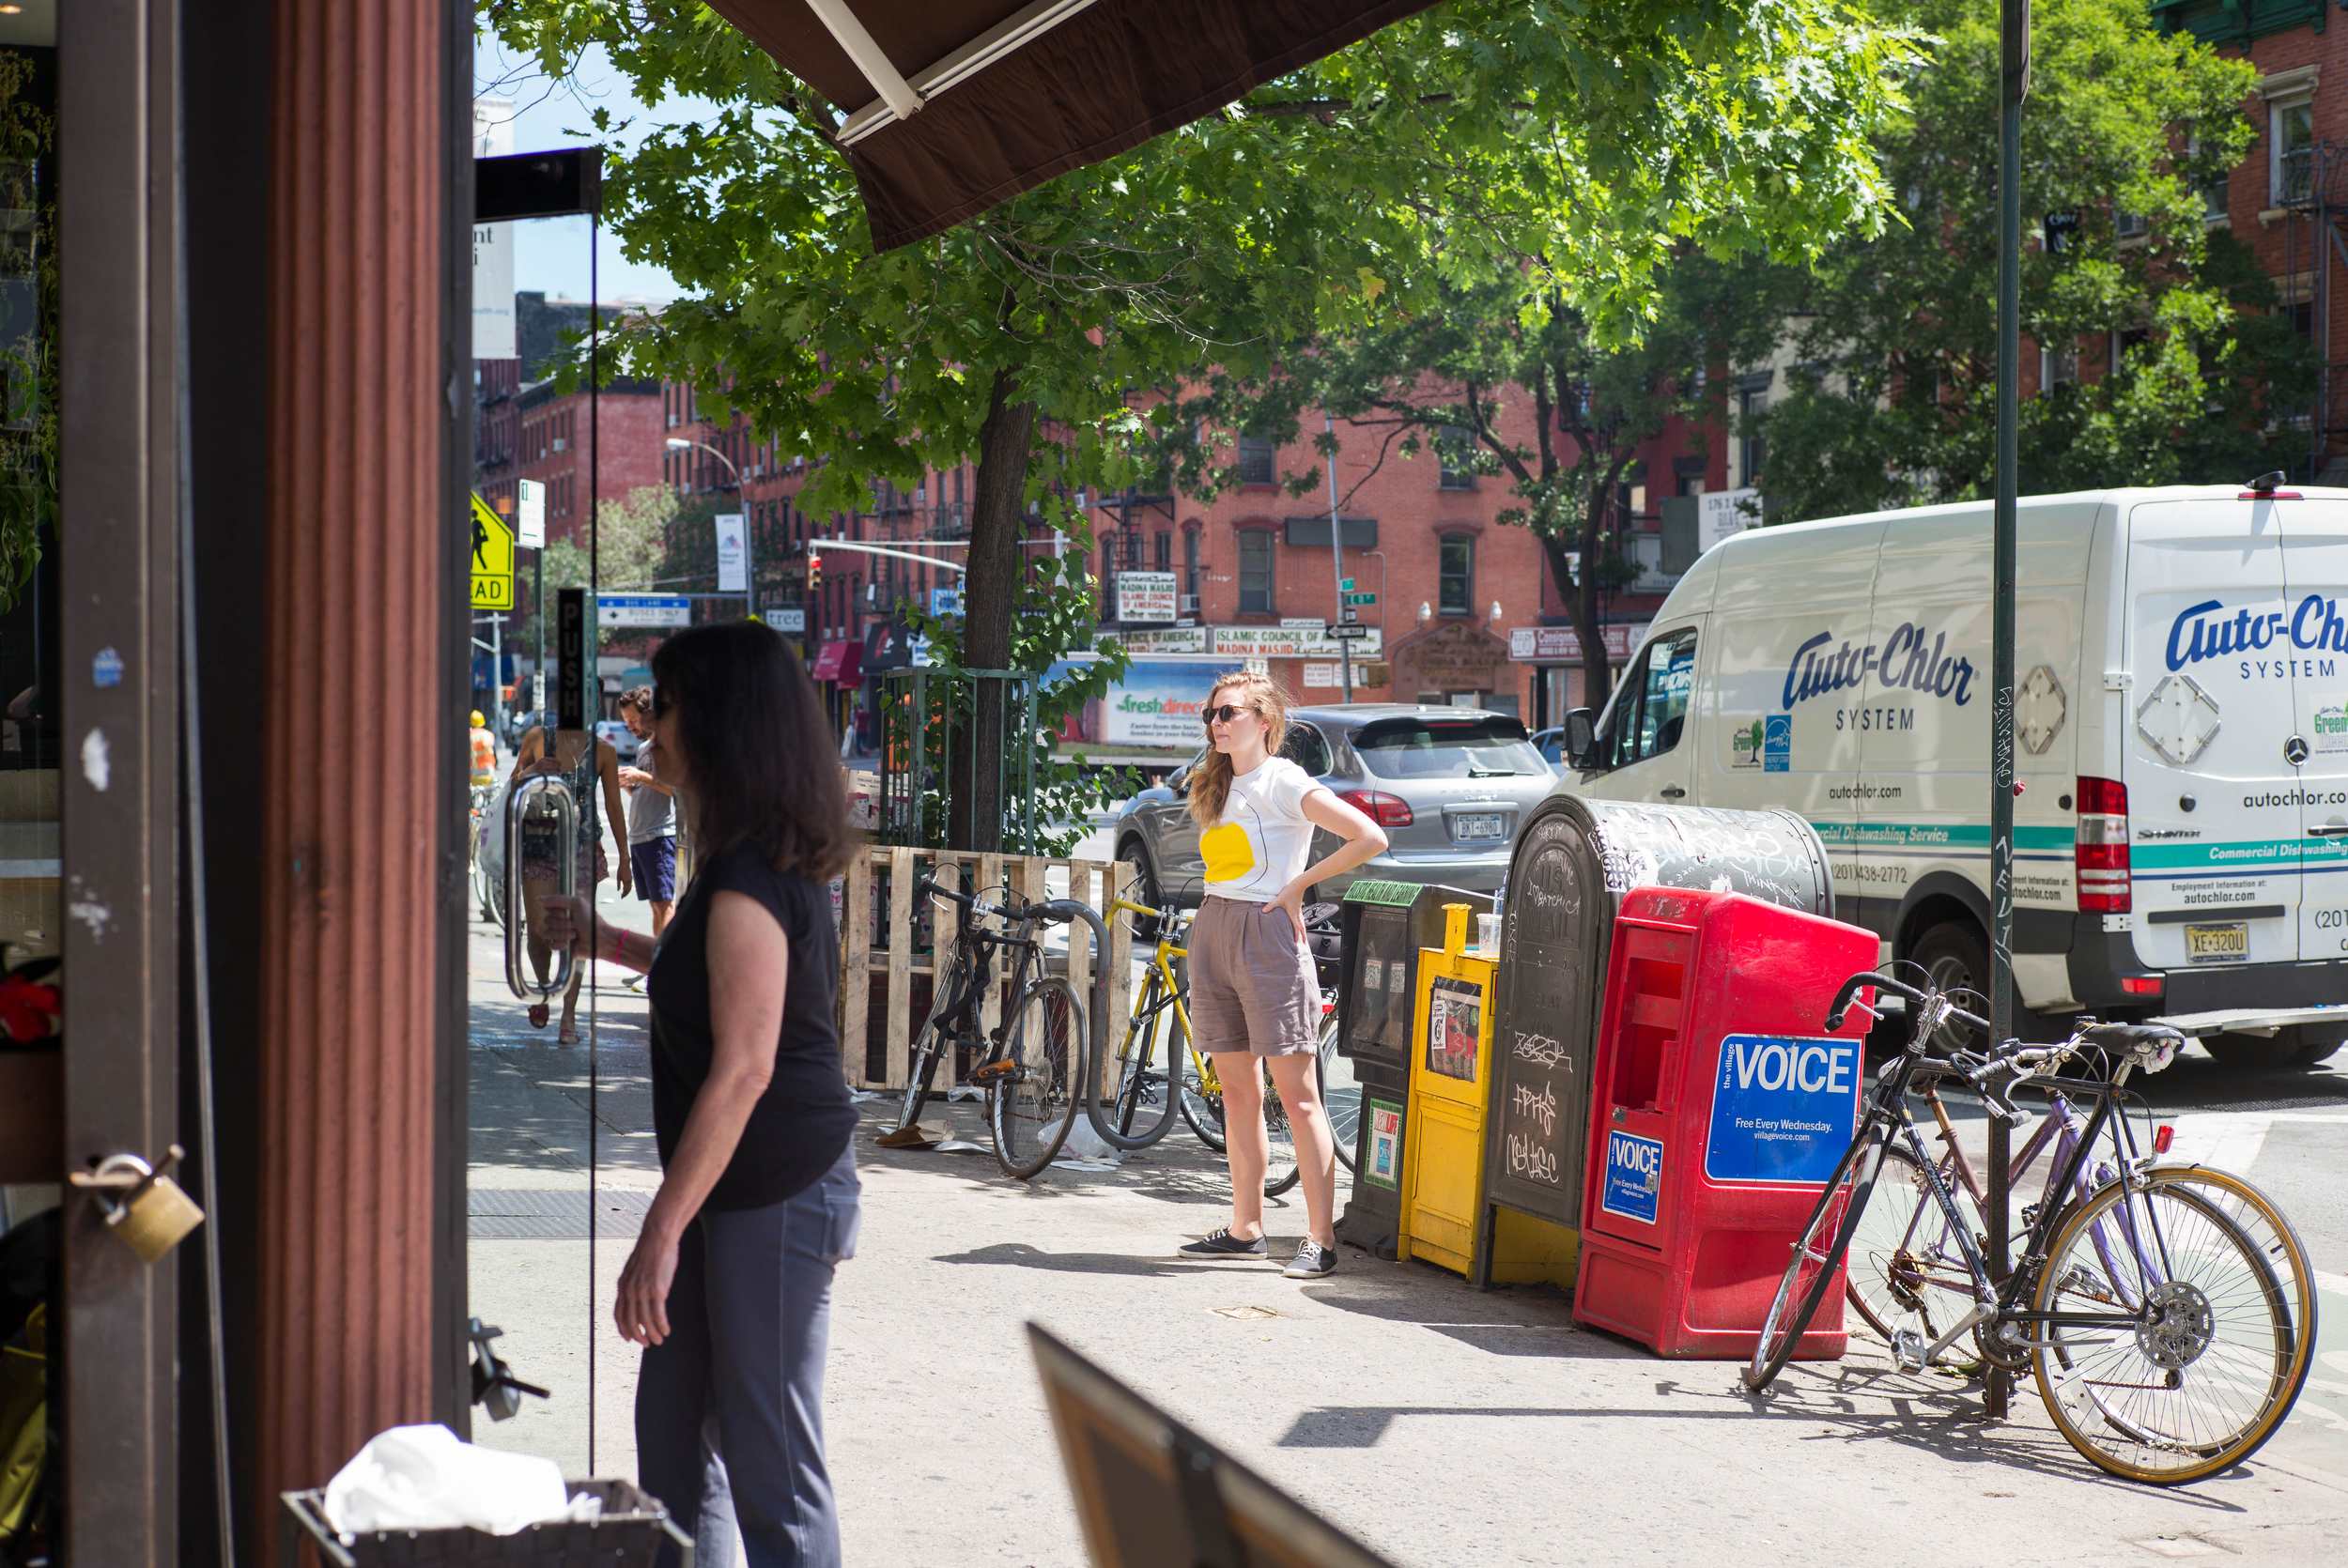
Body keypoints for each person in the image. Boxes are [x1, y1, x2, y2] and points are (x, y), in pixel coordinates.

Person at [541, 621, 859, 1568]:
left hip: (776, 1186)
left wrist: (659, 1231)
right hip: (733, 1184)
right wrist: (604, 940)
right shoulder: (734, 861)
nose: (648, 726)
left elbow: (746, 1064)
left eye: (665, 704)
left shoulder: (750, 876)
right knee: (675, 1440)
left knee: (770, 1458)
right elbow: (706, 984)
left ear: (717, 720)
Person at [1172, 670, 1387, 1279]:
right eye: (1211, 714)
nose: (1216, 723)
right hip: (1214, 929)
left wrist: (1299, 886)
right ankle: (1246, 1228)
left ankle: (1320, 1239)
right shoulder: (1217, 782)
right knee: (1238, 1095)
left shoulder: (1283, 780)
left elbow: (1367, 836)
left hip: (1267, 937)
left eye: (1229, 712)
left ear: (1263, 720)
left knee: (1299, 1097)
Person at [508, 717, 631, 1042]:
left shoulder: (604, 750)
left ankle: (569, 1015)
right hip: (538, 845)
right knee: (539, 930)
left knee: (577, 933)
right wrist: (531, 772)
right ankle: (546, 986)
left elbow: (615, 807)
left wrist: (625, 859)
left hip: (583, 849)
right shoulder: (538, 738)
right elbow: (512, 784)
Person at [619, 686, 678, 942]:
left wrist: (641, 776)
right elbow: (648, 789)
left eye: (632, 720)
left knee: (664, 905)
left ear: (649, 715)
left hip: (659, 836)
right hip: (641, 837)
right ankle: (656, 965)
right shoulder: (644, 748)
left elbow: (676, 791)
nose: (630, 727)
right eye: (626, 722)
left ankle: (665, 967)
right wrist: (631, 786)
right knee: (655, 905)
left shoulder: (666, 746)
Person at [469, 709, 498, 788]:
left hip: (473, 771)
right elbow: (493, 751)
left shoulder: (469, 735)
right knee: (492, 791)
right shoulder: (488, 734)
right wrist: (496, 765)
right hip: (487, 770)